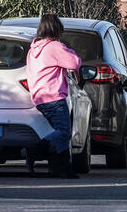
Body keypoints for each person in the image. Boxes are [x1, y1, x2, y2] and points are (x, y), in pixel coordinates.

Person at [26, 14, 82, 179]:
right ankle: (34, 150)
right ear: (56, 29)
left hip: (39, 98)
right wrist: (68, 49)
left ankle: (61, 169)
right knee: (64, 132)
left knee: (59, 132)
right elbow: (74, 63)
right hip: (54, 97)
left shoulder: (33, 49)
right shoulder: (55, 47)